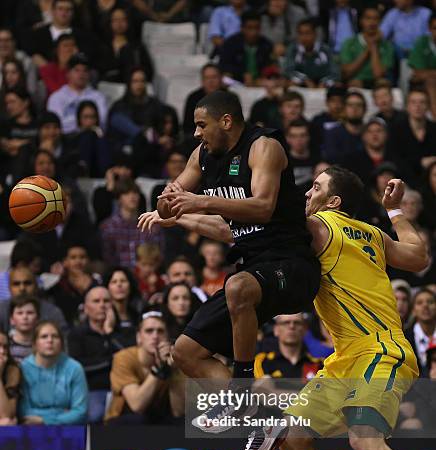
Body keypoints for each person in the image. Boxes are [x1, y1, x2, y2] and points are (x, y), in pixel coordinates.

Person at [231, 170, 430, 450]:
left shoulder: (320, 225)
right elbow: (419, 257)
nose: (309, 192)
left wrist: (191, 207)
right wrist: (394, 211)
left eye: (316, 187)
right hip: (345, 358)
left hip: (380, 349)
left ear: (333, 202)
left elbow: (264, 215)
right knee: (295, 437)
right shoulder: (371, 233)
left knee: (364, 435)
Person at [138, 90, 320, 429]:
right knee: (185, 352)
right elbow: (171, 199)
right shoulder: (202, 155)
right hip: (253, 269)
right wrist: (169, 208)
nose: (196, 133)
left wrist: (199, 202)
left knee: (237, 286)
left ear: (226, 121)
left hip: (292, 263)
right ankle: (257, 415)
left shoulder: (264, 147)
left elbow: (263, 207)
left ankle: (241, 386)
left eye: (200, 125)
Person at [105, 312, 185, 424]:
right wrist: (159, 369)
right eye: (149, 331)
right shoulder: (123, 358)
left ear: (167, 337)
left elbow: (179, 412)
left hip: (158, 418)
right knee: (139, 419)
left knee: (184, 422)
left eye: (160, 331)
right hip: (122, 421)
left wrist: (174, 370)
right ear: (139, 337)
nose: (155, 336)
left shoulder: (174, 359)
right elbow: (137, 405)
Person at [19, 320, 88, 425]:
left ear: (61, 343)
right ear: (34, 344)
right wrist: (61, 414)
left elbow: (80, 411)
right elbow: (24, 411)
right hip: (33, 427)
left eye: (55, 336)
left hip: (67, 428)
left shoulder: (75, 368)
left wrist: (45, 420)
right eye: (44, 336)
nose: (50, 340)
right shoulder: (23, 368)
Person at [68, 286, 121, 423]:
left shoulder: (121, 333)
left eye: (106, 301)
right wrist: (109, 361)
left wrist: (109, 333)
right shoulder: (77, 334)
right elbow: (79, 366)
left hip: (123, 389)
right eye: (96, 301)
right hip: (92, 389)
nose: (102, 305)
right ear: (86, 308)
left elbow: (127, 357)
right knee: (95, 415)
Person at [100, 178, 163, 269]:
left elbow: (158, 255)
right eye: (126, 193)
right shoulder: (108, 227)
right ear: (118, 198)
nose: (132, 196)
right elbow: (107, 259)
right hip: (119, 276)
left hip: (146, 275)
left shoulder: (151, 224)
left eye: (135, 193)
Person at [47, 52, 108, 134]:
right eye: (77, 70)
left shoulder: (98, 97)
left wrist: (73, 123)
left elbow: (102, 121)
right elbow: (57, 125)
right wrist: (83, 124)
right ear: (68, 73)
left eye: (85, 70)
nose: (81, 74)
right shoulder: (57, 97)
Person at [45, 243, 101, 327]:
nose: (78, 262)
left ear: (89, 261)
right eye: (73, 257)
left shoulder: (98, 285)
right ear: (65, 262)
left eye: (82, 257)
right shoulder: (58, 287)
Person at [389, 89, 436, 188]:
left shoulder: (434, 128)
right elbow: (395, 159)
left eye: (422, 102)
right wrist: (420, 162)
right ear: (407, 106)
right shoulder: (396, 130)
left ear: (427, 106)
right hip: (404, 182)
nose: (418, 106)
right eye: (413, 102)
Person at [255, 313, 322, 381]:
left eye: (297, 323)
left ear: (305, 329)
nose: (291, 326)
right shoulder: (262, 362)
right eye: (286, 323)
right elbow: (259, 389)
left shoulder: (318, 364)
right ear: (276, 329)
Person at [340, 6, 395, 88]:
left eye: (376, 19)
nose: (372, 22)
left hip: (377, 88)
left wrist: (373, 46)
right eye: (368, 18)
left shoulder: (387, 46)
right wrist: (367, 51)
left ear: (380, 21)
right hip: (353, 87)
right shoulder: (349, 43)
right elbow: (347, 73)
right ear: (361, 21)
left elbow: (378, 75)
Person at [0, 266, 67, 333]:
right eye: (16, 284)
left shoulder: (52, 312)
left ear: (36, 286)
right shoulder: (1, 309)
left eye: (27, 283)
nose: (22, 288)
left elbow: (64, 339)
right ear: (9, 287)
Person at [98, 6, 153, 83]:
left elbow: (148, 70)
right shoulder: (103, 45)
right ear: (110, 22)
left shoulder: (137, 47)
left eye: (123, 19)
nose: (119, 23)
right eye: (116, 20)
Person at [218, 12, 275, 86]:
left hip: (260, 84)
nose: (253, 32)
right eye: (249, 28)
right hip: (236, 83)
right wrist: (242, 74)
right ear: (242, 28)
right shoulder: (230, 44)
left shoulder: (266, 45)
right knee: (225, 79)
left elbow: (270, 67)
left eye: (257, 28)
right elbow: (223, 66)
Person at [283, 17, 338, 88]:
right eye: (301, 33)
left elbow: (335, 73)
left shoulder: (325, 49)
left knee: (337, 85)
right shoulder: (293, 49)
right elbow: (288, 71)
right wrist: (305, 80)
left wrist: (324, 82)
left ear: (315, 34)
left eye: (307, 33)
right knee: (291, 83)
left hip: (322, 85)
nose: (304, 37)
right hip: (302, 84)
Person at [104, 266, 143, 348]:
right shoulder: (104, 315)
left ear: (130, 286)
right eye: (114, 282)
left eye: (123, 281)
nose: (119, 285)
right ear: (107, 288)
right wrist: (109, 329)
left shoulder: (137, 315)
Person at [323, 90, 366, 164]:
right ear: (344, 109)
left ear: (365, 109)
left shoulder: (371, 132)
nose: (354, 109)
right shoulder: (333, 134)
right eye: (350, 105)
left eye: (358, 105)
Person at [183, 64, 224, 137]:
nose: (210, 81)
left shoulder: (230, 98)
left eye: (214, 77)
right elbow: (188, 127)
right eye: (207, 78)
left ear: (221, 78)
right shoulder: (193, 98)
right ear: (202, 80)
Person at [409, 11, 436, 118]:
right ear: (429, 29)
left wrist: (429, 73)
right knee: (431, 82)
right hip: (424, 85)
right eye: (435, 28)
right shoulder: (421, 43)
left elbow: (424, 72)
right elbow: (418, 73)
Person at [405, 288, 436, 372]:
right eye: (419, 303)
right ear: (413, 310)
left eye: (430, 302)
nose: (425, 305)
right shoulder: (404, 338)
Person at [286, 119, 319, 194]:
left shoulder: (318, 159)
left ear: (309, 137)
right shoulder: (283, 161)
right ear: (287, 138)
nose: (298, 140)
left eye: (303, 135)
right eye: (294, 136)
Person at [8, 295, 40, 364]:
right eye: (20, 313)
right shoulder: (4, 345)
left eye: (30, 313)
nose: (25, 317)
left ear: (37, 319)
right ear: (11, 320)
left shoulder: (44, 344)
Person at [0, 327, 20, 425]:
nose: (2, 351)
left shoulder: (12, 370)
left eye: (5, 347)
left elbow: (7, 414)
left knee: (7, 422)